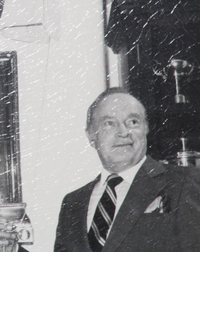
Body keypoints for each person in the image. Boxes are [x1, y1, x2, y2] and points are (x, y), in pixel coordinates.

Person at [54, 87, 200, 252]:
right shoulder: (72, 204)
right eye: (109, 124)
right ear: (91, 136)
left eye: (133, 122)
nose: (123, 132)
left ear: (146, 128)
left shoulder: (185, 182)